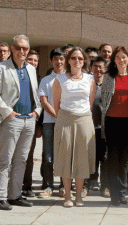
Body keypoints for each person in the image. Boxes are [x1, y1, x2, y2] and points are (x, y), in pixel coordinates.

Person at [0, 35, 42, 210]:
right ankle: (0, 197)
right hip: (11, 120)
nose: (22, 51)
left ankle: (15, 195)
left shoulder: (31, 69)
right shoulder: (0, 68)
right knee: (5, 160)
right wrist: (7, 112)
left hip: (29, 120)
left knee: (21, 161)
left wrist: (37, 112)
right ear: (12, 48)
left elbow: (36, 94)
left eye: (25, 48)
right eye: (18, 47)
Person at [52, 47, 96, 207]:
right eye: (74, 58)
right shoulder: (60, 79)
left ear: (84, 61)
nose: (77, 61)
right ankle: (67, 196)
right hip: (65, 120)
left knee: (81, 159)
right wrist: (66, 118)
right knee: (65, 158)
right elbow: (56, 105)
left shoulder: (90, 79)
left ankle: (79, 196)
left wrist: (80, 116)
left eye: (80, 58)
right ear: (68, 60)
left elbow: (90, 103)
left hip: (84, 121)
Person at [100, 46, 128, 206]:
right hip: (112, 121)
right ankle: (114, 193)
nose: (121, 60)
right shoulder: (108, 78)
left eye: (124, 57)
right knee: (113, 158)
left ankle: (122, 192)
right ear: (114, 60)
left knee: (125, 159)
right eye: (118, 57)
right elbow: (104, 101)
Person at [36, 48, 66, 198]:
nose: (59, 62)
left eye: (61, 59)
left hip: (66, 123)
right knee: (48, 156)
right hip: (49, 122)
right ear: (51, 61)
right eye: (56, 59)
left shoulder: (70, 79)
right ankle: (48, 186)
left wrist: (63, 117)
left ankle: (63, 186)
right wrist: (56, 115)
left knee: (64, 155)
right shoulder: (45, 80)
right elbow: (43, 101)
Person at [86, 56, 109, 197]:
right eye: (95, 66)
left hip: (105, 128)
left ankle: (105, 187)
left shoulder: (108, 85)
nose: (98, 69)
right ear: (90, 68)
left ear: (105, 69)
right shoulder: (87, 84)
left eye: (101, 67)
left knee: (105, 159)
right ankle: (87, 185)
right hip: (89, 127)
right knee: (90, 158)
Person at [22, 50, 43, 198]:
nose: (33, 63)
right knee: (12, 156)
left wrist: (39, 126)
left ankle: (27, 186)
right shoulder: (18, 75)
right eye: (30, 60)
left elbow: (41, 102)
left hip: (32, 122)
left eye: (35, 60)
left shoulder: (40, 79)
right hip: (14, 120)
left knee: (28, 156)